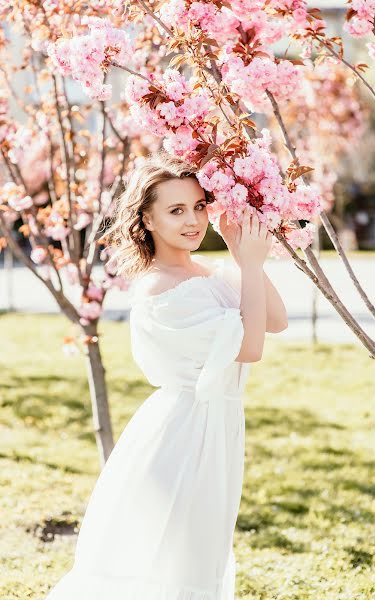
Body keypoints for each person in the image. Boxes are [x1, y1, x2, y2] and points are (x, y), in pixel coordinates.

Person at [45, 149, 288, 600]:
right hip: (182, 436)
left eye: (199, 206)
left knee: (202, 558)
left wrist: (241, 257)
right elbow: (250, 347)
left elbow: (274, 320)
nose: (193, 220)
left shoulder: (208, 272)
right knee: (173, 563)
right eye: (176, 210)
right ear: (148, 220)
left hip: (215, 429)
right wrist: (249, 266)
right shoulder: (162, 288)